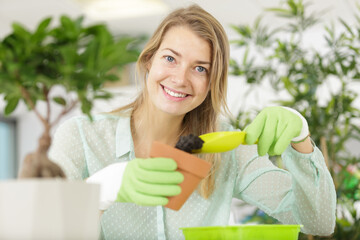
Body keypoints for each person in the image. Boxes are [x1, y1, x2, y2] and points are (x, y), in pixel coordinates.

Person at [49, 4, 336, 240]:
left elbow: (318, 222)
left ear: (212, 82)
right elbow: (45, 230)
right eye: (170, 58)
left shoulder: (229, 149)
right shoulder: (81, 136)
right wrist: (100, 190)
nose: (181, 78)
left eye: (200, 68)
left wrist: (300, 137)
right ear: (149, 60)